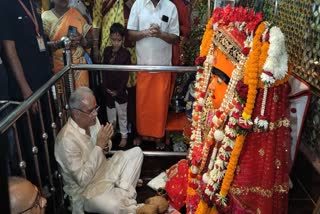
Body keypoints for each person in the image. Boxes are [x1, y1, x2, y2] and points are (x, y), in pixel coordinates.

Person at [55, 87, 143, 214]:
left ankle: (122, 192)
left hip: (105, 169)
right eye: (91, 111)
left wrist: (106, 144)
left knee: (136, 153)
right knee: (114, 206)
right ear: (76, 113)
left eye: (96, 108)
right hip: (88, 190)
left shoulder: (93, 120)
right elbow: (82, 180)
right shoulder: (66, 140)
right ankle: (125, 193)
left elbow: (105, 148)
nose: (95, 114)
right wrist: (99, 146)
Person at [127, 0, 180, 149]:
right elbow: (130, 34)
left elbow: (175, 38)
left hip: (163, 66)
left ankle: (159, 137)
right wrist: (145, 32)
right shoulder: (138, 5)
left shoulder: (170, 7)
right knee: (143, 105)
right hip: (143, 66)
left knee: (160, 105)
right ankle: (143, 135)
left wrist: (160, 34)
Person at [42, 0, 92, 89]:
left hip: (79, 68)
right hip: (57, 69)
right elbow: (43, 47)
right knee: (62, 100)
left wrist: (81, 39)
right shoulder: (46, 17)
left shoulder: (75, 13)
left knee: (81, 100)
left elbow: (90, 42)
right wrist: (61, 43)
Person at [102, 23, 130, 148]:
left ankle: (124, 135)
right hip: (108, 90)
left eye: (119, 40)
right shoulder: (107, 51)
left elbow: (125, 76)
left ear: (123, 39)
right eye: (113, 40)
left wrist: (118, 91)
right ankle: (112, 134)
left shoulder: (126, 54)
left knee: (122, 115)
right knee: (111, 115)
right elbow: (104, 70)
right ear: (110, 38)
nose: (116, 43)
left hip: (120, 91)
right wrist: (106, 87)